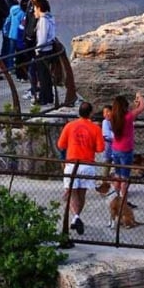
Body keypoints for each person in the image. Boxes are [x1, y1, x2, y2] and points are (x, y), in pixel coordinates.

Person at [57, 101, 102, 235]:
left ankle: (75, 218)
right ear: (90, 113)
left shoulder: (70, 126)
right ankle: (76, 218)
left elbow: (61, 145)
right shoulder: (95, 128)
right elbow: (100, 148)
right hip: (87, 164)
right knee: (82, 193)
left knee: (72, 193)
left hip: (72, 163)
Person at [103, 92, 144, 210]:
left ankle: (115, 199)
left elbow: (133, 111)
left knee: (117, 175)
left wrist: (135, 105)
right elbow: (143, 107)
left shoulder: (113, 117)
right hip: (126, 150)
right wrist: (139, 96)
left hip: (115, 149)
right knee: (125, 178)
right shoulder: (128, 117)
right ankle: (123, 202)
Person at [31, 0, 58, 106]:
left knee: (42, 76)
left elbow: (42, 38)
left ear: (39, 8)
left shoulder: (43, 21)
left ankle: (43, 98)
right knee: (46, 75)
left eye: (35, 9)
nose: (34, 12)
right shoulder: (50, 18)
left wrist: (37, 49)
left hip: (43, 51)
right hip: (49, 50)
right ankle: (49, 97)